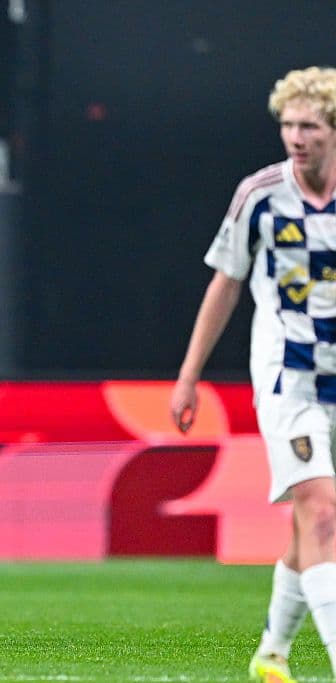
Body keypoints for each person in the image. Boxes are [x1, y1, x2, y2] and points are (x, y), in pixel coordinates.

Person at [171, 66, 336, 683]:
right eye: (288, 125)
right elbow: (226, 281)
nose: (295, 137)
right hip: (288, 377)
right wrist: (189, 375)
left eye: (309, 126)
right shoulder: (260, 194)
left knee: (310, 524)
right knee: (322, 512)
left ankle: (271, 652)